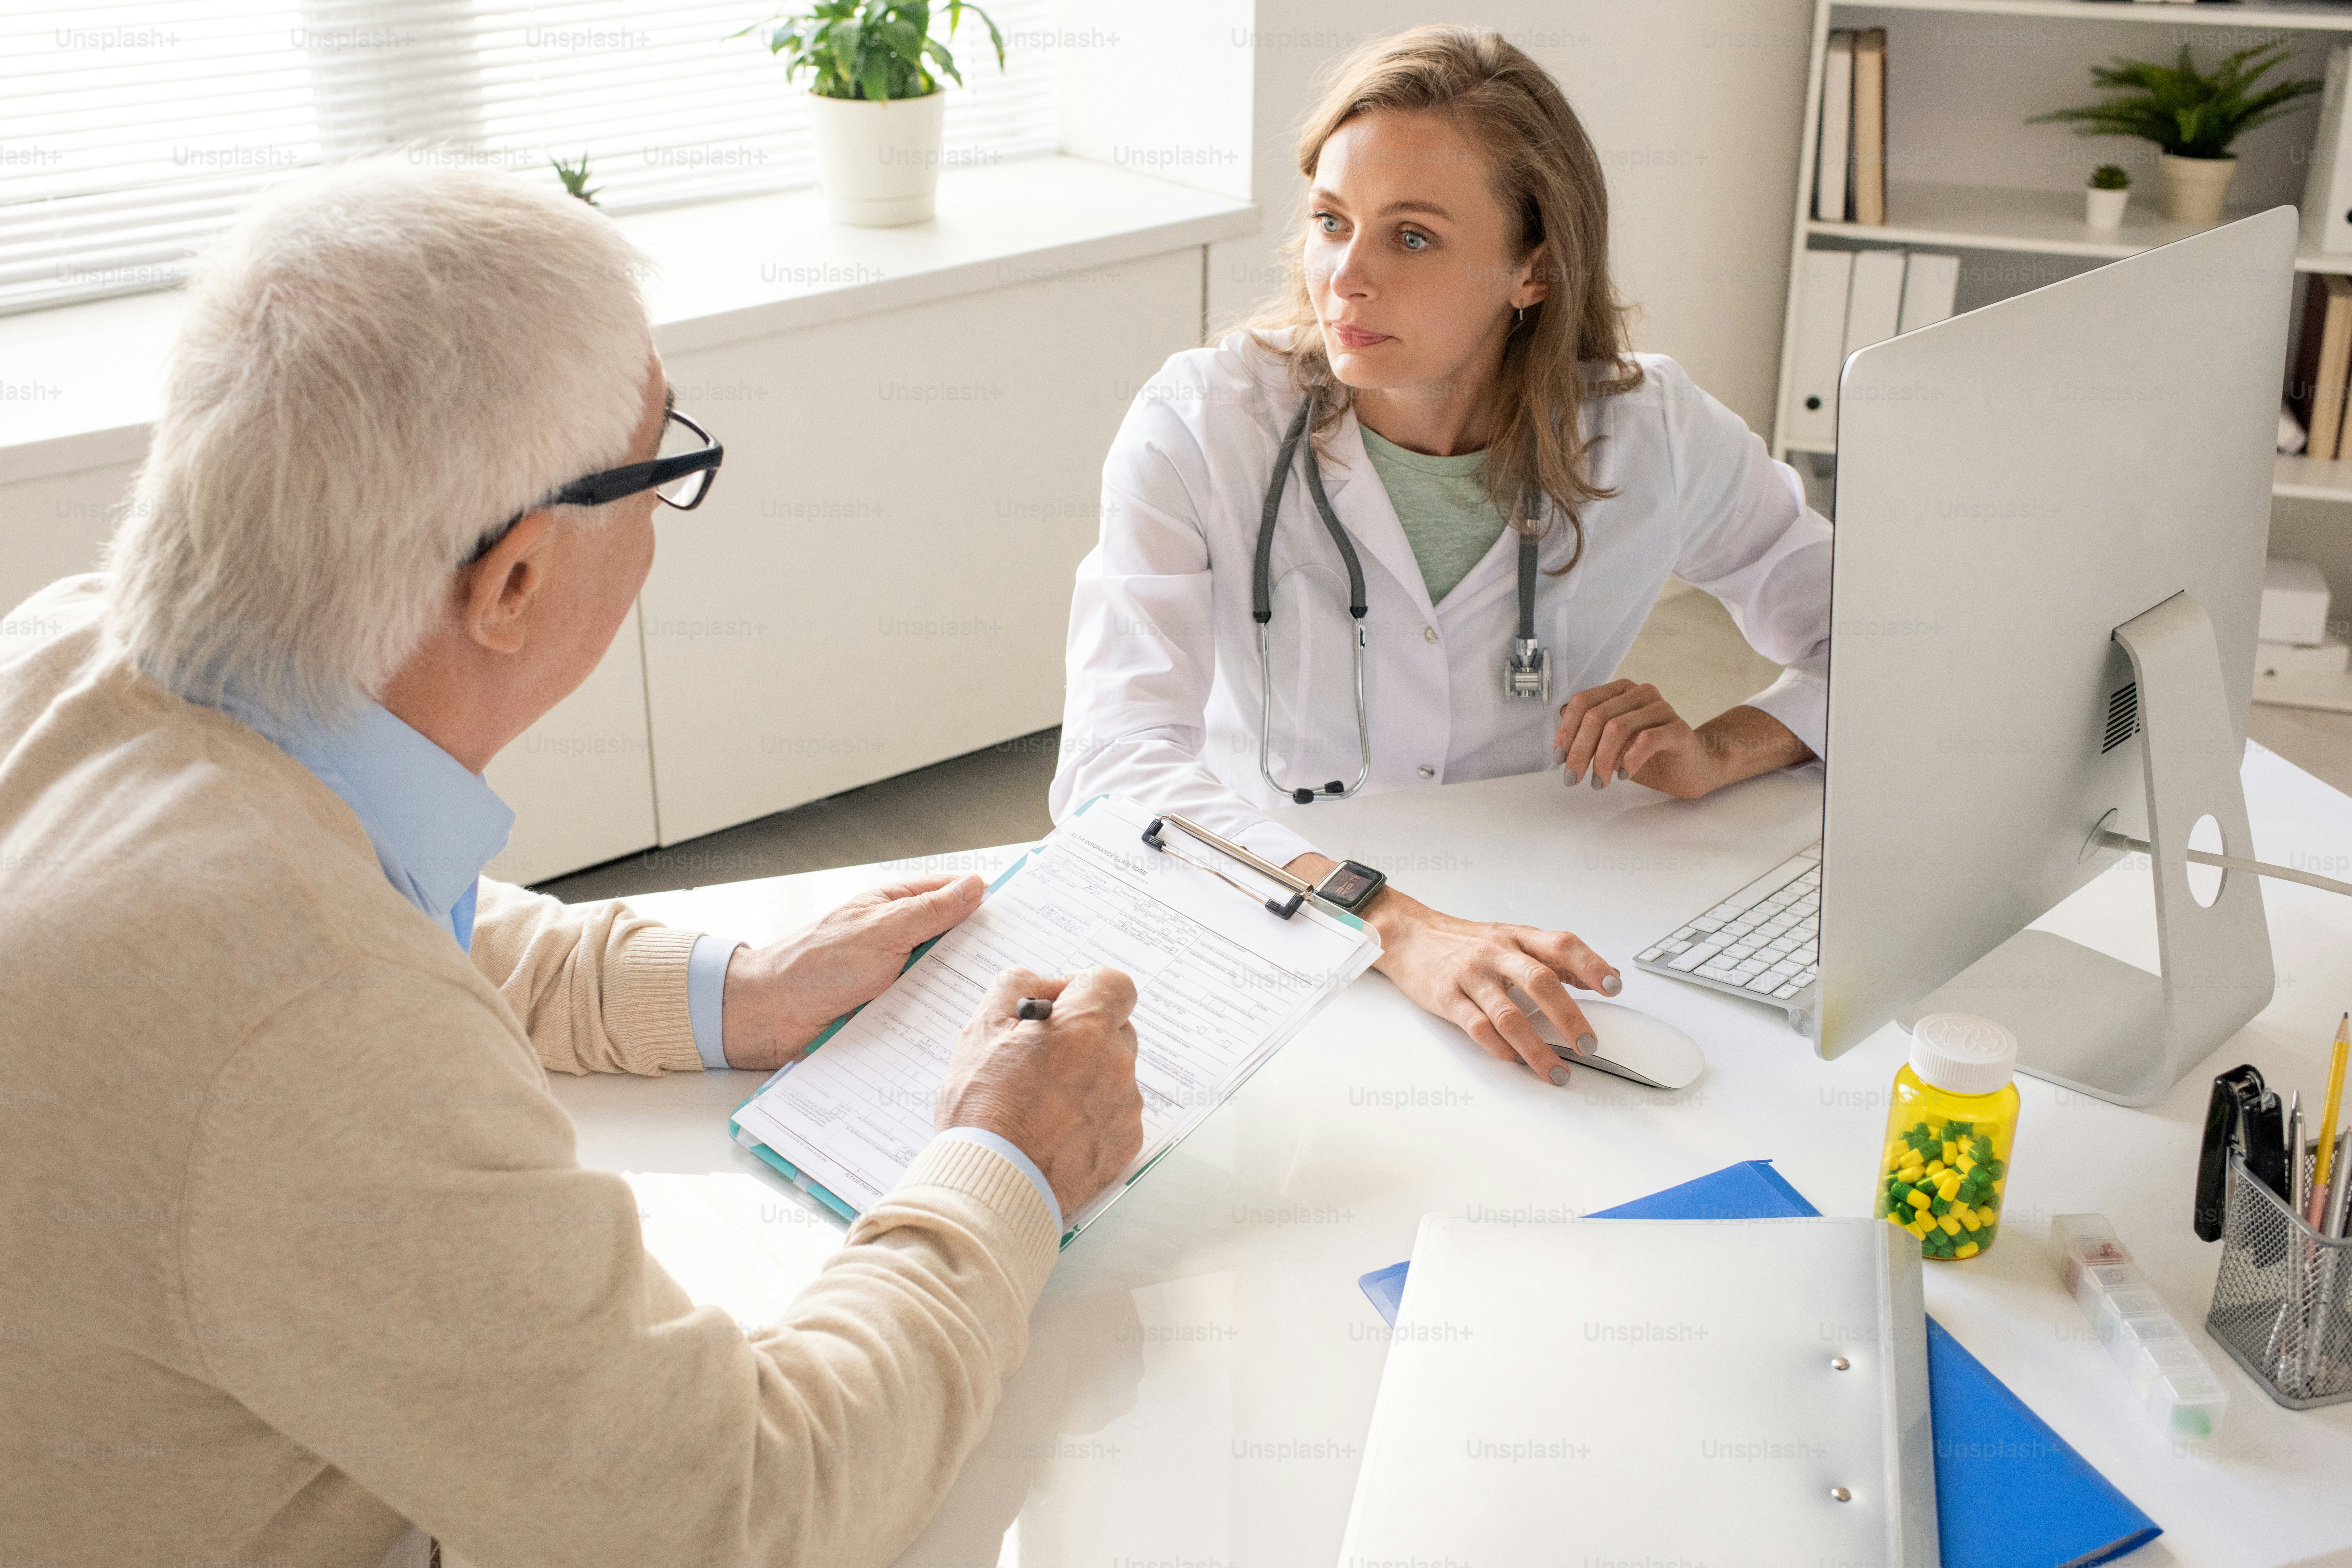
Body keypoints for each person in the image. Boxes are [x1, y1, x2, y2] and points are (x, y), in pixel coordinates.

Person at [0, 157, 1142, 1568]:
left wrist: (737, 985)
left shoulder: (66, 650)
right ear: (514, 581)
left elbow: (348, 921)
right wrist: (1005, 1161)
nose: (666, 516)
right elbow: (745, 1510)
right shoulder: (312, 1028)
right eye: (667, 463)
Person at [1052, 25, 1830, 1086]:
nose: (1345, 279)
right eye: (1331, 222)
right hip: (1272, 904)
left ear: (1534, 268)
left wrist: (1723, 750)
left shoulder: (1649, 429)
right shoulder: (1200, 424)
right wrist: (1396, 926)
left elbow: (1876, 637)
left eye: (1409, 239)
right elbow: (1113, 769)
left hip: (1552, 906)